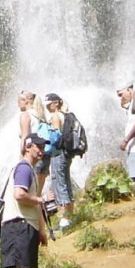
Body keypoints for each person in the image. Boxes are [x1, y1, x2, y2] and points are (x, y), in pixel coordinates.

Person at [1, 133, 51, 268]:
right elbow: (19, 195)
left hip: (22, 225)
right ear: (28, 147)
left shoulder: (27, 169)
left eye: (43, 147)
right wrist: (40, 199)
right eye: (39, 147)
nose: (42, 151)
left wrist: (41, 230)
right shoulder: (24, 169)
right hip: (20, 225)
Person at [45, 93, 74, 229]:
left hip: (58, 153)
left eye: (49, 103)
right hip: (65, 154)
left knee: (59, 182)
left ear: (56, 103)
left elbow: (56, 137)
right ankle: (70, 214)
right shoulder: (64, 115)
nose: (47, 106)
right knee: (65, 181)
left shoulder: (56, 117)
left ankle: (65, 217)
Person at [18, 90, 49, 195]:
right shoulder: (40, 115)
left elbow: (25, 137)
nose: (18, 104)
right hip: (44, 151)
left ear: (26, 101)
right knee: (38, 192)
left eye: (19, 101)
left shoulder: (26, 115)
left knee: (31, 190)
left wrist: (22, 155)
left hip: (34, 153)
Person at [116, 82, 135, 192]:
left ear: (129, 90)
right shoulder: (133, 104)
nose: (120, 98)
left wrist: (126, 140)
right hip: (134, 147)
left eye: (121, 94)